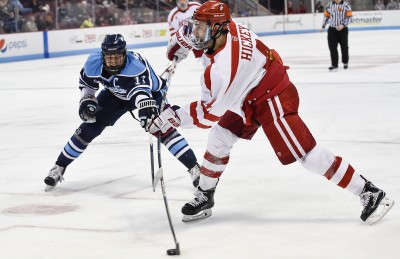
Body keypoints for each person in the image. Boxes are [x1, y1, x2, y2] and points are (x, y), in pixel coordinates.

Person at [149, 1, 395, 224]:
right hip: (247, 91)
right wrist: (182, 41)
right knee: (219, 138)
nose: (197, 33)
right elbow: (198, 36)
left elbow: (207, 114)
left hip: (271, 97)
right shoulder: (228, 26)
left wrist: (172, 116)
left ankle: (370, 192)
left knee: (308, 155)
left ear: (218, 29)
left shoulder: (224, 69)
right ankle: (205, 194)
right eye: (196, 27)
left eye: (202, 29)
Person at [44, 34, 200, 191]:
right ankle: (59, 167)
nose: (113, 62)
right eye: (109, 57)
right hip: (115, 94)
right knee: (88, 128)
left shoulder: (136, 66)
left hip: (149, 94)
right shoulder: (94, 62)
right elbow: (87, 83)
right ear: (103, 55)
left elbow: (140, 93)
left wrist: (145, 109)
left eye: (117, 57)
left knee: (161, 127)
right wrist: (87, 99)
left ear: (125, 54)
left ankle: (195, 168)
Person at [320, 0, 352, 71]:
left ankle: (345, 62)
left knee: (344, 46)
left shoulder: (346, 5)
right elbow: (326, 16)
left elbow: (349, 17)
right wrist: (323, 26)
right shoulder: (329, 5)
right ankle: (334, 64)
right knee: (332, 47)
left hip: (343, 30)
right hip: (332, 29)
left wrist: (343, 25)